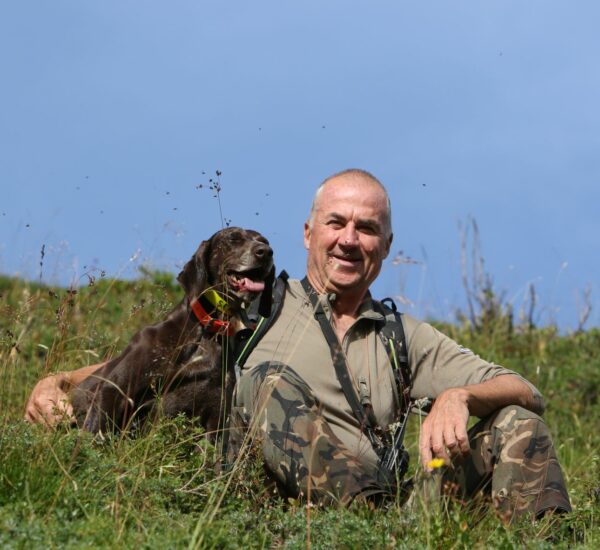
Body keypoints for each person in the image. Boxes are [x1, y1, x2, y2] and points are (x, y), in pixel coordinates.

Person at [25, 169, 571, 519]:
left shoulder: (404, 336)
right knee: (269, 383)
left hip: (400, 510)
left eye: (367, 228)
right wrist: (64, 381)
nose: (350, 239)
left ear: (386, 246)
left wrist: (462, 398)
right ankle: (354, 522)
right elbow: (160, 353)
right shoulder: (254, 303)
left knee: (517, 423)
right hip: (290, 510)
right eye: (337, 223)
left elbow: (526, 389)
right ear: (309, 233)